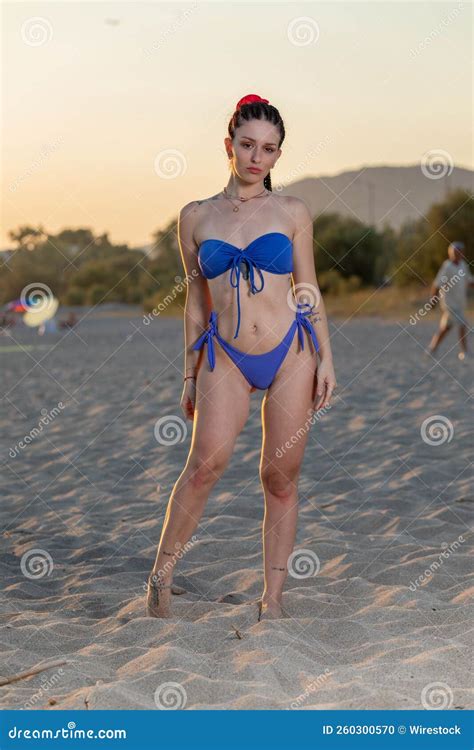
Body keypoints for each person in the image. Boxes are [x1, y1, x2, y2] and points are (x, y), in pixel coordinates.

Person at [146, 93, 337, 621]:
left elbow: (309, 287)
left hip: (289, 352)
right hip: (223, 353)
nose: (257, 157)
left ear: (278, 156)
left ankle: (271, 601)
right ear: (229, 145)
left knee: (280, 477)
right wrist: (188, 372)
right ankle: (160, 580)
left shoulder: (292, 211)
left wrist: (326, 357)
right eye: (248, 145)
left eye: (269, 149)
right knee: (205, 465)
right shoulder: (194, 217)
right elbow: (194, 300)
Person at [428, 241, 473, 360]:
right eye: (455, 251)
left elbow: (469, 281)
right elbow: (437, 284)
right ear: (450, 253)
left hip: (460, 304)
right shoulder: (447, 266)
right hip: (449, 304)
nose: (457, 254)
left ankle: (432, 349)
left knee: (446, 328)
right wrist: (433, 300)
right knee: (462, 324)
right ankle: (465, 352)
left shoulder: (463, 265)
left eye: (459, 252)